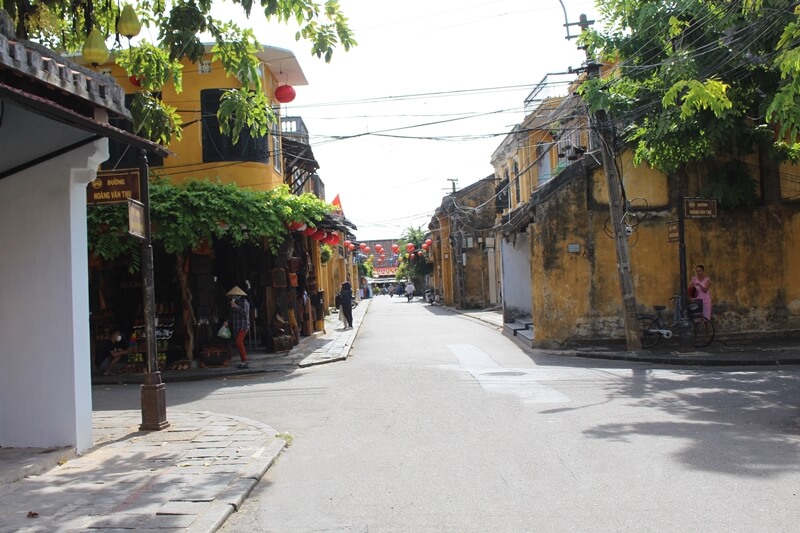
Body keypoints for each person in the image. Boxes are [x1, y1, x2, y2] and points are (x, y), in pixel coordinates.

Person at [223, 286, 250, 369]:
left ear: (238, 295)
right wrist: (227, 321)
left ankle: (245, 360)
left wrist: (236, 306)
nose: (232, 297)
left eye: (234, 295)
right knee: (238, 343)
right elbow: (232, 315)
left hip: (243, 325)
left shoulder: (244, 302)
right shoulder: (233, 303)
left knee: (239, 342)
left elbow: (245, 313)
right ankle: (243, 361)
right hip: (236, 326)